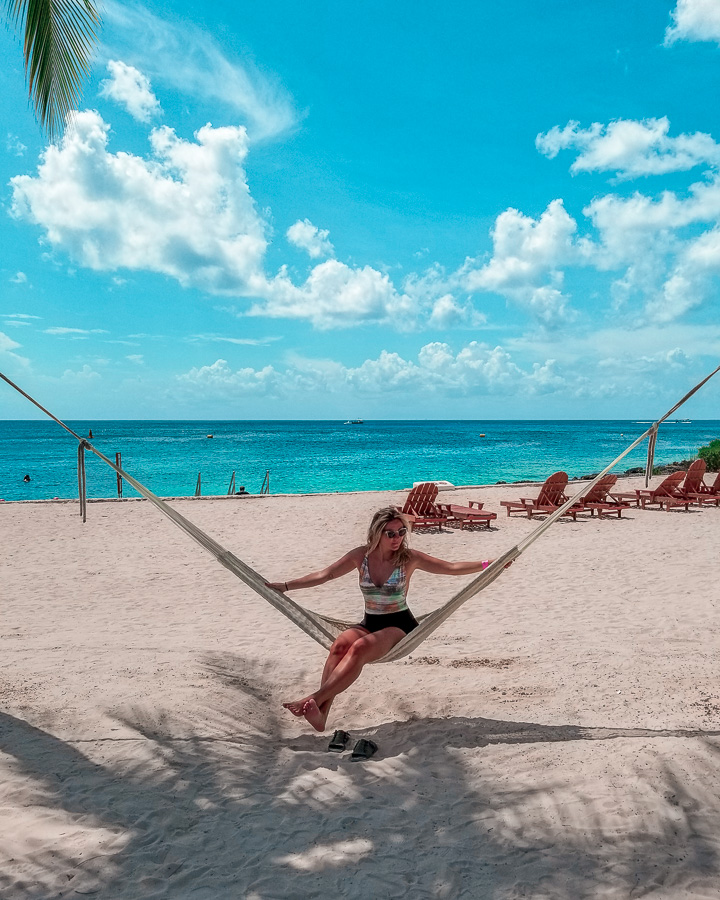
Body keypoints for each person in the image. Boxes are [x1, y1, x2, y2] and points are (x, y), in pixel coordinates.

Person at [267, 506, 510, 732]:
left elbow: (452, 567)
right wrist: (286, 587)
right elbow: (325, 575)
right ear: (377, 533)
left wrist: (490, 564)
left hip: (400, 625)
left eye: (401, 532)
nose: (397, 538)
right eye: (390, 533)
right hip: (369, 622)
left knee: (359, 648)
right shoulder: (360, 556)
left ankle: (313, 699)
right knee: (340, 645)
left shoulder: (409, 558)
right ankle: (321, 714)